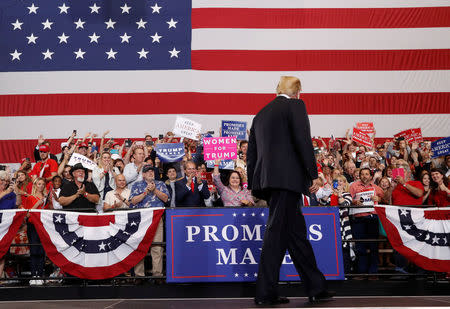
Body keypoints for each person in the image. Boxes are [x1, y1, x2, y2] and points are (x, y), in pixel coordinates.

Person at [247, 76, 334, 305]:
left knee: (296, 237)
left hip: (269, 182)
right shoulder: (296, 105)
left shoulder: (261, 114)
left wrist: (253, 186)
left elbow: (252, 154)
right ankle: (265, 293)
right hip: (288, 181)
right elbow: (302, 140)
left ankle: (316, 287)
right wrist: (312, 175)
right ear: (298, 92)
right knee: (276, 235)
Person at [129, 165, 169, 283]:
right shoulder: (137, 185)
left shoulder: (160, 184)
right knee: (139, 246)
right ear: (143, 175)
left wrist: (155, 190)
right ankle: (139, 276)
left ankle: (157, 275)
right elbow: (133, 201)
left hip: (157, 218)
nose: (151, 173)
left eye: (152, 171)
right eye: (148, 172)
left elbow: (166, 199)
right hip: (141, 219)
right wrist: (146, 192)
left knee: (157, 247)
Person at [349, 168, 384, 278]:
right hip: (358, 218)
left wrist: (378, 198)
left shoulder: (376, 188)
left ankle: (373, 272)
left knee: (373, 245)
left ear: (370, 176)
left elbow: (384, 199)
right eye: (362, 174)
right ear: (359, 176)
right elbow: (349, 200)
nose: (364, 176)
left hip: (372, 218)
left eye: (367, 174)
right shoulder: (353, 186)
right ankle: (361, 272)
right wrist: (355, 202)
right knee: (360, 246)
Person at [22, 178, 49, 285]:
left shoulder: (47, 199)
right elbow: (27, 215)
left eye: (43, 184)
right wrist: (37, 204)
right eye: (39, 184)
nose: (41, 186)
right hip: (33, 226)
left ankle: (40, 274)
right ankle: (34, 274)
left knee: (42, 250)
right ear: (35, 185)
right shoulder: (30, 198)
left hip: (43, 226)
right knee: (34, 249)